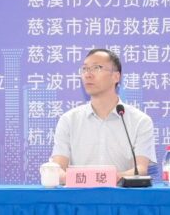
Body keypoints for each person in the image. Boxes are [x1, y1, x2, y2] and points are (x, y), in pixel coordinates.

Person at [48, 48, 154, 178]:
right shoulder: (69, 120)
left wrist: (105, 179)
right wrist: (90, 180)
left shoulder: (140, 121)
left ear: (116, 76)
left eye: (96, 68)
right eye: (85, 69)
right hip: (79, 191)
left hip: (121, 191)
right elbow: (58, 169)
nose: (88, 75)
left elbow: (140, 170)